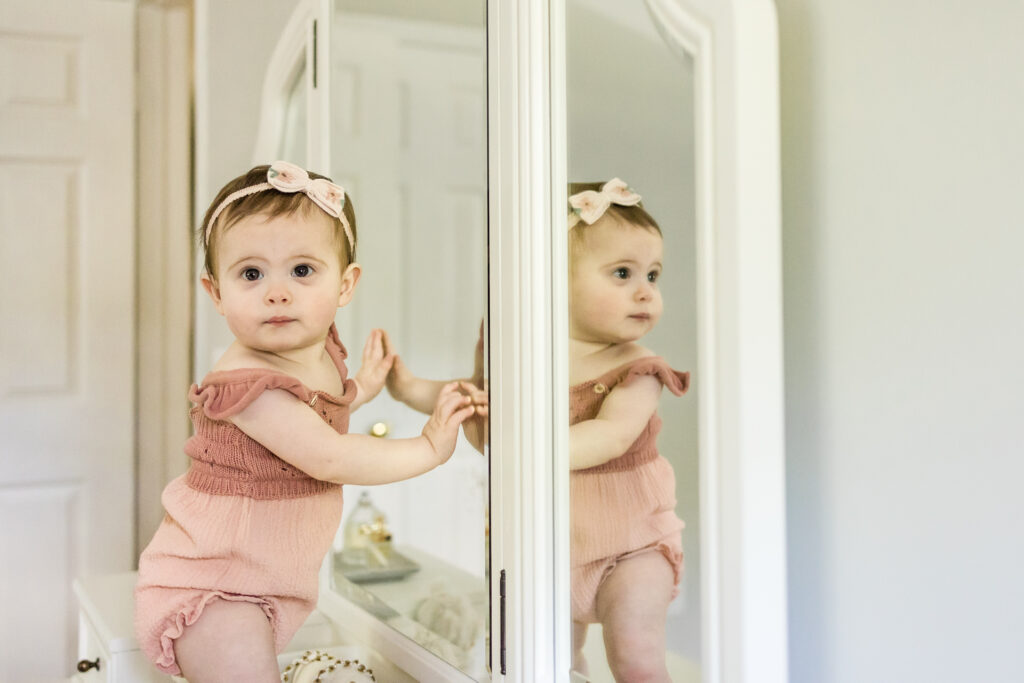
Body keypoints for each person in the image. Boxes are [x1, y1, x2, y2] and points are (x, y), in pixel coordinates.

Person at [134, 161, 476, 682]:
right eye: (251, 273)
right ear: (216, 293)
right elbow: (329, 454)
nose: (277, 292)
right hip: (214, 583)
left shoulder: (310, 355)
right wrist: (427, 447)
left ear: (345, 284)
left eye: (301, 271)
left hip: (267, 578)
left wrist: (360, 385)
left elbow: (314, 413)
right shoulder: (244, 385)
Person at [567, 179, 690, 682]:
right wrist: (410, 388)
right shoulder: (523, 358)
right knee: (549, 662)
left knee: (635, 656)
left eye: (653, 275)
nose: (646, 291)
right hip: (553, 545)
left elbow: (610, 437)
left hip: (633, 548)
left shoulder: (637, 366)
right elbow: (476, 397)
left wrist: (523, 446)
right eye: (623, 273)